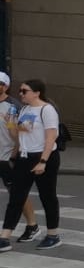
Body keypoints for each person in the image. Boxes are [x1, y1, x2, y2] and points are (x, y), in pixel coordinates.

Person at [0, 78, 61, 250]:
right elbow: (18, 136)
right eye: (20, 90)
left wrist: (43, 161)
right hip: (24, 157)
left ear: (36, 93)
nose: (20, 94)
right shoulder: (25, 109)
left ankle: (53, 234)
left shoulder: (47, 110)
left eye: (24, 91)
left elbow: (51, 137)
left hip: (43, 157)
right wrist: (10, 123)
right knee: (16, 197)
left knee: (47, 196)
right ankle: (5, 237)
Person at [0, 74, 38, 244]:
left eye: (0, 84)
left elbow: (19, 134)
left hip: (6, 156)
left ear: (6, 86)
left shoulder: (13, 107)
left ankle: (32, 225)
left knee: (16, 194)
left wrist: (15, 155)